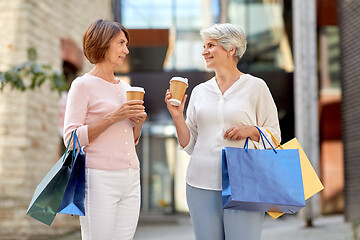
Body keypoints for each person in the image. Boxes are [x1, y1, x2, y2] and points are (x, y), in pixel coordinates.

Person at [164, 23, 281, 240]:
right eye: (204, 45)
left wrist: (251, 130)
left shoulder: (256, 87)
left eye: (211, 45)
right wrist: (177, 116)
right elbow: (189, 145)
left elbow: (274, 136)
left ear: (231, 49)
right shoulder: (199, 91)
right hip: (200, 184)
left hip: (245, 182)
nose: (204, 51)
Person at [63, 19, 146, 240]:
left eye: (126, 44)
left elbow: (131, 138)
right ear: (103, 43)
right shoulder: (82, 85)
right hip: (98, 178)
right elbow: (71, 139)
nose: (126, 50)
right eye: (121, 43)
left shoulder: (127, 88)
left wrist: (138, 122)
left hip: (130, 176)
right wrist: (113, 117)